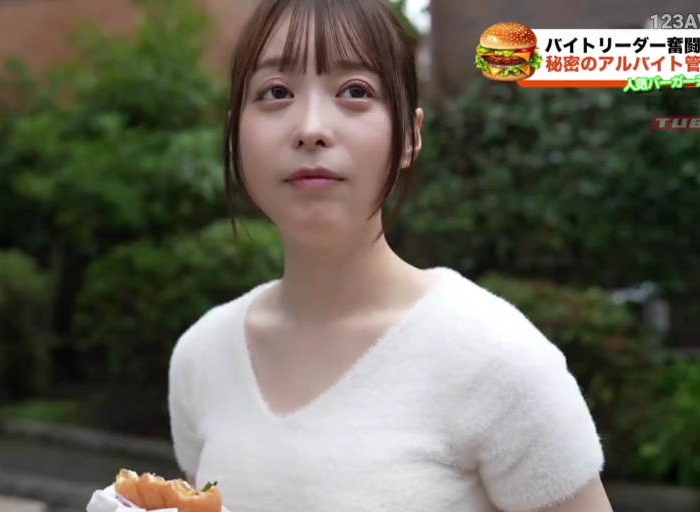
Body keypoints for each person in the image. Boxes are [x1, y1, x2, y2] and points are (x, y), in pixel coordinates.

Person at [168, 0, 614, 511]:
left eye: (355, 91)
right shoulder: (202, 358)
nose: (310, 127)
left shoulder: (494, 356)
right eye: (276, 92)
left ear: (409, 135)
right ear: (235, 137)